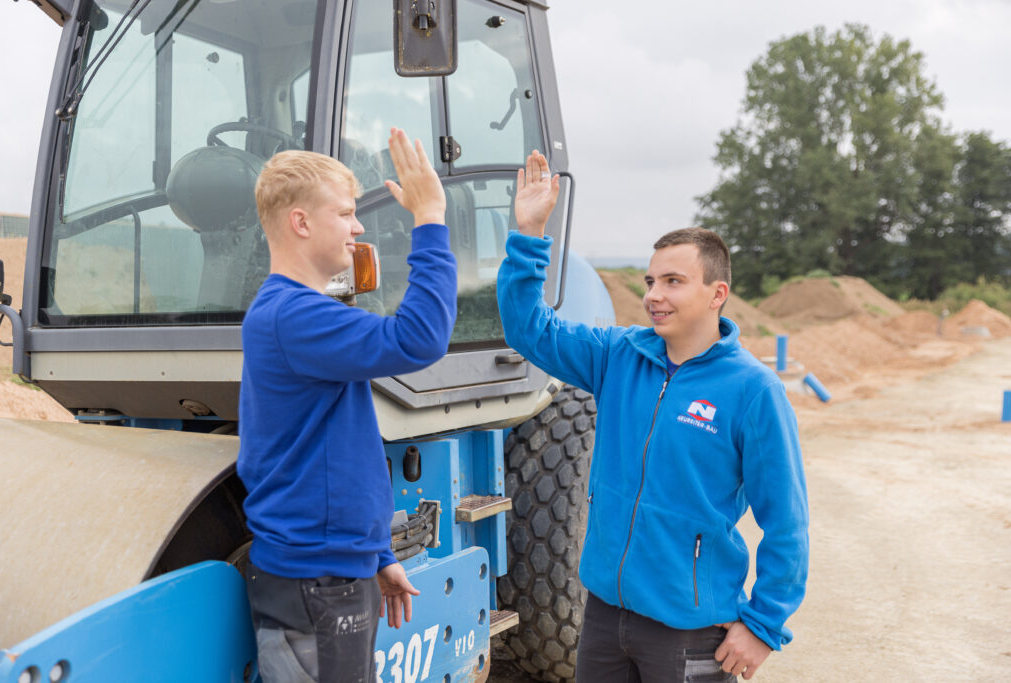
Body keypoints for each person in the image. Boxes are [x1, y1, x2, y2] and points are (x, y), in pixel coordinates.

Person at [497, 152, 809, 681]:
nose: (654, 296)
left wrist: (763, 624)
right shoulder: (619, 356)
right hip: (604, 616)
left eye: (672, 281)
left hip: (689, 631)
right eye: (650, 281)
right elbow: (529, 330)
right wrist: (529, 233)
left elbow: (786, 520)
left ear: (717, 294)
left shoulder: (754, 390)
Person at [237, 128, 457, 683]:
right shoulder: (295, 315)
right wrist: (429, 217)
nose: (359, 227)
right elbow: (419, 339)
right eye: (347, 213)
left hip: (330, 571)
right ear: (301, 222)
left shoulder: (297, 312)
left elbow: (328, 448)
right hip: (320, 582)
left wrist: (375, 554)